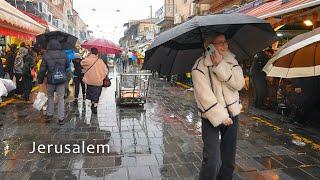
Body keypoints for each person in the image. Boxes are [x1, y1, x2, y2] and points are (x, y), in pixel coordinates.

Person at [192, 34, 245, 180]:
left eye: (225, 42)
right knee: (212, 160)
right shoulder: (199, 67)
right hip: (211, 117)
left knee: (228, 160)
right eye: (220, 43)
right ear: (210, 45)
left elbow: (239, 84)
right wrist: (222, 117)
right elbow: (204, 96)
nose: (225, 46)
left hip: (232, 113)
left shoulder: (231, 60)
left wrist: (220, 66)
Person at [38, 39, 68, 125]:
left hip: (51, 80)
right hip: (61, 80)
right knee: (61, 98)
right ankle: (61, 118)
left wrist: (40, 80)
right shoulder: (63, 54)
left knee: (50, 97)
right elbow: (66, 66)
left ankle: (49, 114)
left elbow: (42, 69)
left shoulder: (46, 55)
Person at [81, 48, 107, 114]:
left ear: (91, 52)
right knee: (97, 95)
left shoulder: (87, 59)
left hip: (90, 81)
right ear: (97, 53)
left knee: (91, 93)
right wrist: (102, 77)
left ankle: (92, 104)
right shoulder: (100, 61)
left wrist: (87, 56)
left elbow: (82, 63)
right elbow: (105, 71)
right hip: (98, 81)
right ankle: (95, 106)